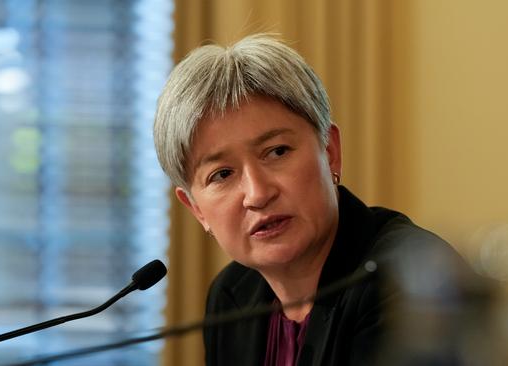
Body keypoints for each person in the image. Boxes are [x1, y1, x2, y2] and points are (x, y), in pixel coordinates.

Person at [154, 34, 484, 366]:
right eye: (222, 174)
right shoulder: (231, 296)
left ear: (330, 152)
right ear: (197, 209)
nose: (257, 194)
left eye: (277, 151)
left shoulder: (402, 283)